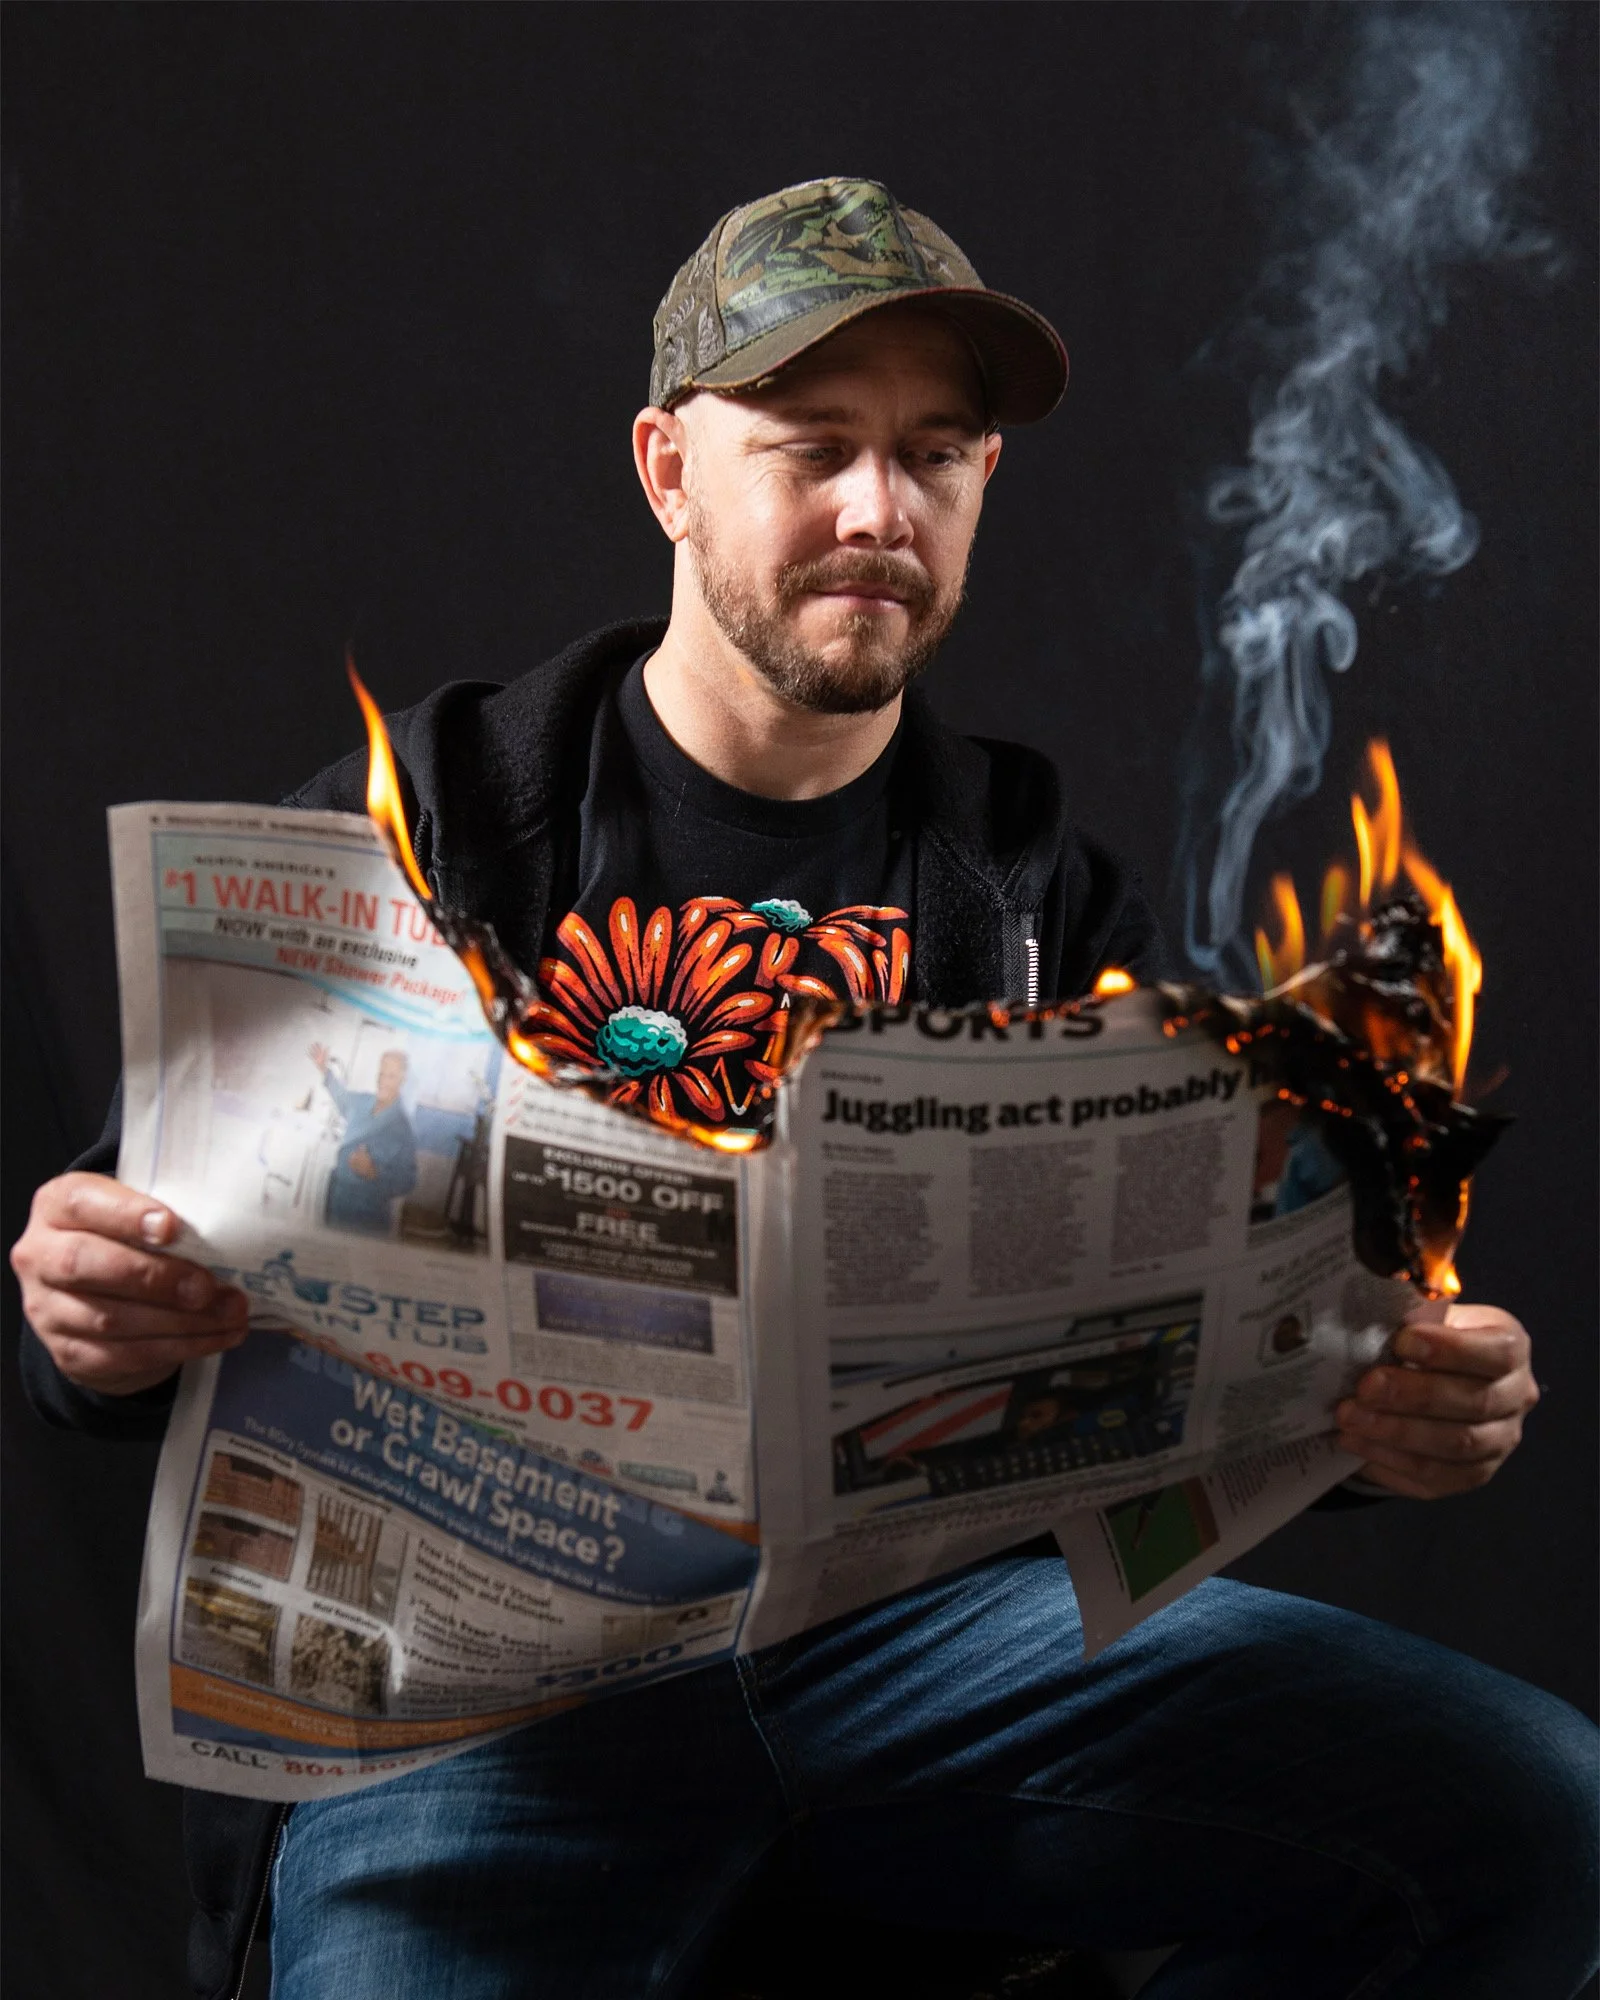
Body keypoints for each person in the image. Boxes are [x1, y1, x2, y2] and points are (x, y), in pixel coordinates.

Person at [10, 177, 1596, 2000]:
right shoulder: (428, 812)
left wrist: (1386, 1417)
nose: (877, 512)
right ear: (670, 471)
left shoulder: (1033, 884)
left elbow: (1191, 1360)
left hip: (916, 1662)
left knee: (1530, 1814)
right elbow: (119, 1291)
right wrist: (84, 1314)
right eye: (813, 447)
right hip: (483, 1715)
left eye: (935, 453)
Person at [308, 1044, 418, 1236]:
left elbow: (407, 1181)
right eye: (381, 1073)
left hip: (367, 1217)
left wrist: (373, 1172)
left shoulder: (402, 1127)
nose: (382, 1081)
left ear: (403, 1079)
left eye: (390, 1076)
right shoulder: (363, 1102)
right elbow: (342, 1098)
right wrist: (324, 1069)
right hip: (337, 1203)